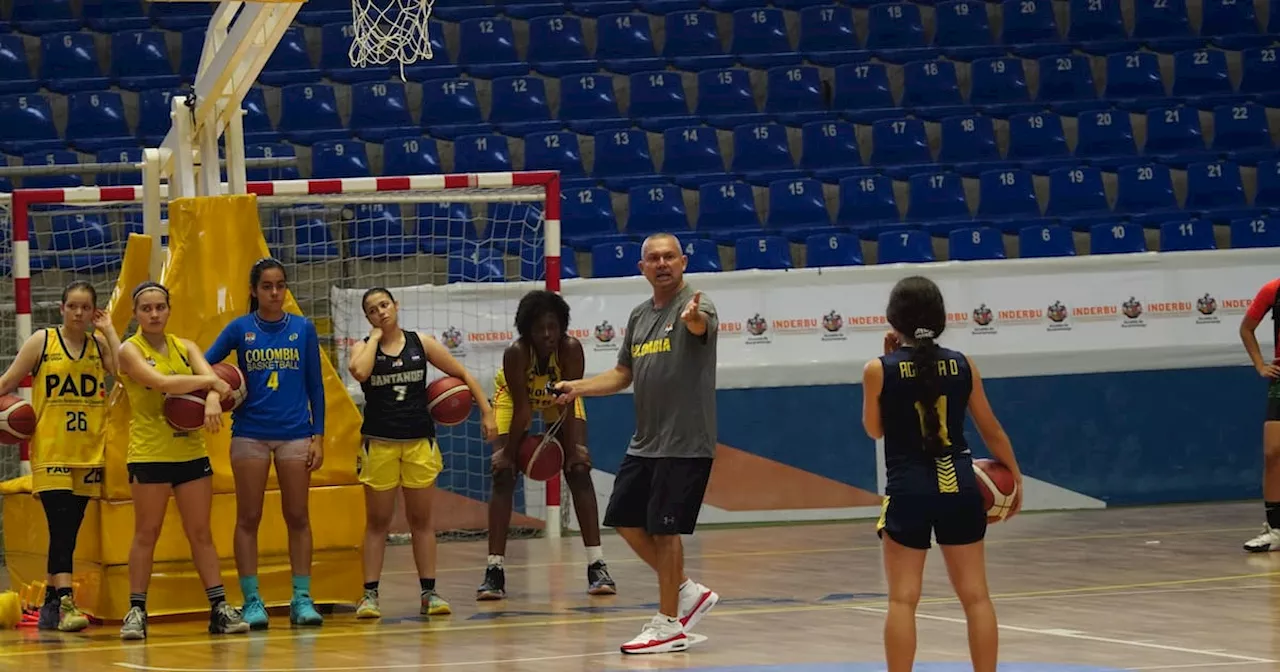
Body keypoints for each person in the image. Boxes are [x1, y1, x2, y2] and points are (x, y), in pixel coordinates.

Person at [553, 232, 720, 655]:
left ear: (682, 262)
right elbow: (622, 374)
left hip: (684, 441)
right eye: (653, 258)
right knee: (625, 518)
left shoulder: (696, 305)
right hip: (646, 441)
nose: (662, 263)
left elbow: (701, 328)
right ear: (642, 267)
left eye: (669, 256)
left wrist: (694, 322)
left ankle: (669, 625)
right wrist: (578, 387)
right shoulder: (640, 316)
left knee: (666, 532)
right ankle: (685, 590)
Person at [860, 275, 1023, 672]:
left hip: (909, 489)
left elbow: (874, 429)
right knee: (976, 597)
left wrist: (886, 360)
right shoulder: (963, 364)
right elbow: (992, 429)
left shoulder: (878, 369)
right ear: (940, 319)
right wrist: (1015, 481)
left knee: (902, 599)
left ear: (893, 320)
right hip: (960, 485)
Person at [347, 287, 496, 619]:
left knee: (421, 521)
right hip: (380, 444)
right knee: (378, 522)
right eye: (373, 310)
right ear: (367, 317)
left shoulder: (421, 342)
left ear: (396, 306)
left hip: (418, 443)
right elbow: (359, 372)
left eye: (384, 305)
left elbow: (462, 374)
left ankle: (430, 592)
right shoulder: (362, 347)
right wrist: (373, 337)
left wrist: (485, 410)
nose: (381, 312)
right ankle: (369, 595)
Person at [115, 281, 250, 640]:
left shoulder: (185, 346)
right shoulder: (130, 350)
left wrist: (209, 398)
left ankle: (219, 608)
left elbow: (211, 385)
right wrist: (211, 386)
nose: (154, 314)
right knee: (147, 533)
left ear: (169, 310)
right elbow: (162, 383)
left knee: (201, 532)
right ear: (136, 314)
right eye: (147, 308)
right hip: (150, 453)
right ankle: (137, 610)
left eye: (160, 307)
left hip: (190, 453)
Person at [205, 257, 326, 628]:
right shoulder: (240, 328)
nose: (275, 293)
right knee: (249, 517)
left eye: (280, 285)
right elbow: (203, 364)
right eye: (267, 286)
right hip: (250, 434)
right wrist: (215, 392)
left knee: (298, 515)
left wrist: (317, 435)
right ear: (254, 291)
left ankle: (301, 599)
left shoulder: (303, 328)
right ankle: (252, 600)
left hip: (294, 434)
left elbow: (315, 386)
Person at [477, 289, 617, 601]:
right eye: (540, 328)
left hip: (560, 398)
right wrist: (509, 455)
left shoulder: (570, 349)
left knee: (579, 469)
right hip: (516, 400)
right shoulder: (516, 353)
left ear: (562, 327)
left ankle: (597, 565)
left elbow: (568, 401)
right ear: (526, 330)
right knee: (502, 474)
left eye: (553, 327)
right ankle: (494, 570)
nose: (547, 334)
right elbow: (524, 411)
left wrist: (573, 450)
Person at [0, 280, 119, 632]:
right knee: (61, 525)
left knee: (70, 528)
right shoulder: (43, 341)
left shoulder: (98, 346)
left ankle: (51, 605)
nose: (79, 313)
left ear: (93, 311)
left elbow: (123, 373)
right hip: (51, 448)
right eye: (73, 306)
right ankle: (65, 601)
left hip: (88, 451)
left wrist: (111, 331)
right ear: (61, 308)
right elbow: (7, 381)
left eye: (86, 307)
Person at [1240, 276, 1280, 552]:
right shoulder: (1272, 289)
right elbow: (1246, 329)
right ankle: (1276, 529)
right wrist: (1260, 365)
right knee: (1272, 452)